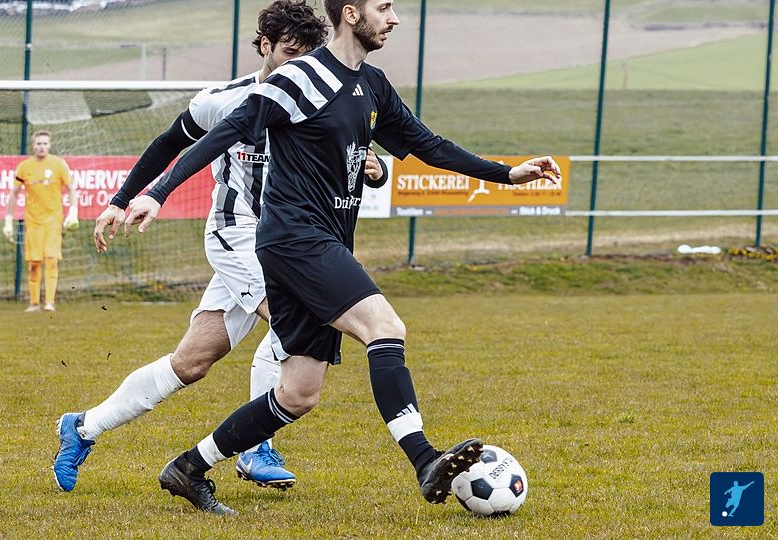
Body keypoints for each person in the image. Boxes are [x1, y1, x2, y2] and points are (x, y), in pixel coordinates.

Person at [126, 0, 562, 515]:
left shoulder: (372, 84)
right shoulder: (300, 78)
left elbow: (428, 144)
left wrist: (506, 174)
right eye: (384, 7)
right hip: (296, 239)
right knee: (385, 328)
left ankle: (188, 468)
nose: (394, 18)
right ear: (351, 14)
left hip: (317, 239)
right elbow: (224, 132)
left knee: (298, 393)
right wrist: (158, 192)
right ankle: (425, 459)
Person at [51, 0, 356, 493]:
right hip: (236, 234)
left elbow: (351, 158)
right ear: (264, 46)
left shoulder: (319, 100)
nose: (297, 65)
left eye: (306, 56)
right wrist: (122, 199)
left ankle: (82, 427)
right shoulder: (223, 101)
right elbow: (168, 143)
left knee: (191, 362)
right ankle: (256, 449)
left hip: (288, 241)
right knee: (293, 321)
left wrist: (372, 169)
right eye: (288, 52)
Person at [3, 130, 79, 312]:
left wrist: (73, 212)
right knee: (34, 262)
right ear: (33, 145)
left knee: (51, 259)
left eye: (45, 143)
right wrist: (8, 220)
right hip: (33, 222)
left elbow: (71, 188)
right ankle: (34, 303)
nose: (42, 147)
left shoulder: (59, 164)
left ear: (49, 145)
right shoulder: (24, 167)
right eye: (38, 143)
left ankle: (50, 302)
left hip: (53, 221)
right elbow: (14, 194)